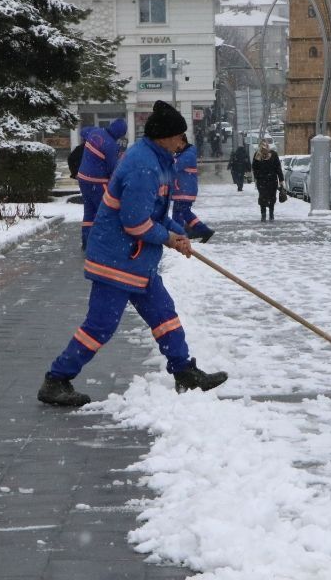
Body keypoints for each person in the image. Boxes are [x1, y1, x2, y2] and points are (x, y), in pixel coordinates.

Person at [38, 101, 228, 407]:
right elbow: (135, 222)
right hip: (116, 259)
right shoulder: (144, 166)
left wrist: (177, 233)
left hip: (137, 260)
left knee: (164, 314)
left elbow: (156, 212)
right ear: (165, 136)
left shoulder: (159, 160)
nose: (184, 143)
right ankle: (56, 379)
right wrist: (168, 239)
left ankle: (184, 372)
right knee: (100, 326)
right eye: (180, 136)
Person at [75, 118, 127, 250]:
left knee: (89, 211)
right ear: (120, 134)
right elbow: (112, 169)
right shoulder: (111, 145)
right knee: (105, 212)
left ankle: (86, 241)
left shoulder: (94, 131)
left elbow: (83, 131)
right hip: (97, 181)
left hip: (82, 178)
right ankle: (103, 244)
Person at [170, 141, 214, 243]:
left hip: (185, 191)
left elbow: (175, 166)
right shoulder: (184, 154)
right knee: (185, 213)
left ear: (182, 143)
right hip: (183, 190)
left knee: (178, 214)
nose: (175, 147)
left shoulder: (188, 155)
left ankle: (180, 236)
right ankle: (203, 231)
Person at [251, 139, 284, 222]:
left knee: (272, 197)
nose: (264, 148)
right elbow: (254, 168)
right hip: (261, 181)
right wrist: (257, 177)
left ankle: (271, 214)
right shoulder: (257, 155)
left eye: (265, 146)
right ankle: (263, 215)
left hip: (272, 181)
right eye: (262, 146)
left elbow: (278, 167)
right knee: (262, 197)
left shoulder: (273, 154)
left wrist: (281, 179)